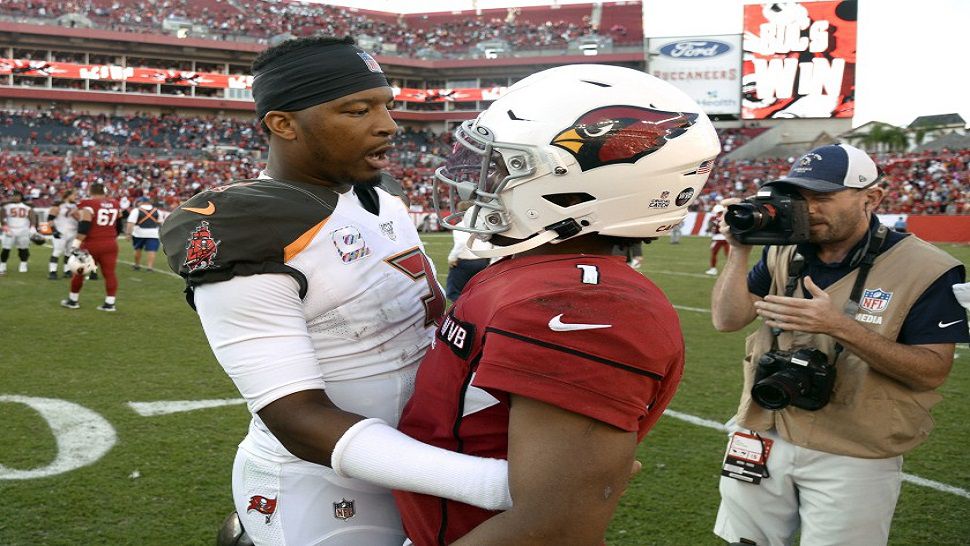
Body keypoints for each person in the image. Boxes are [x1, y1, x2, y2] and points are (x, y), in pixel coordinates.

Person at [159, 37, 512, 546]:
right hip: (325, 486)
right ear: (284, 124)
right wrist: (498, 483)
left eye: (387, 105)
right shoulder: (253, 229)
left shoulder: (382, 196)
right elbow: (297, 420)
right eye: (357, 109)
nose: (388, 124)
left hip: (425, 461)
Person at [392, 63, 721, 545]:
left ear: (583, 183)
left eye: (504, 164)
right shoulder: (530, 269)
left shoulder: (583, 301)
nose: (474, 179)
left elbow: (554, 527)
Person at [710, 143, 969, 546]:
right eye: (799, 196)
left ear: (873, 197)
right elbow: (726, 319)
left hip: (854, 448)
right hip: (763, 426)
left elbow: (933, 370)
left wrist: (840, 326)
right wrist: (740, 250)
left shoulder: (927, 268)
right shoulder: (782, 249)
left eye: (823, 197)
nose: (807, 208)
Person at [60, 183, 121, 311]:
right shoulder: (115, 203)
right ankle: (110, 303)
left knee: (80, 272)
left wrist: (75, 246)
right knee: (109, 273)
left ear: (90, 191)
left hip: (92, 243)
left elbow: (84, 227)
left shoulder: (88, 203)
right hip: (110, 243)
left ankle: (73, 300)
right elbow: (119, 224)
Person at [445, 202, 493, 301]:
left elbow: (462, 243)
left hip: (466, 262)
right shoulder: (484, 224)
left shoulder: (460, 225)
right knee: (480, 291)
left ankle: (460, 312)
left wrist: (452, 257)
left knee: (455, 293)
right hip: (484, 260)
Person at [0, 190, 38, 275]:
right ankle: (2, 265)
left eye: (17, 196)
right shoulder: (6, 206)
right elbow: (2, 215)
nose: (15, 197)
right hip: (10, 229)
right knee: (6, 249)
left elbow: (32, 216)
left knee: (23, 248)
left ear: (21, 197)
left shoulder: (27, 206)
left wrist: (32, 226)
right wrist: (4, 225)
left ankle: (23, 264)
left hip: (23, 230)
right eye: (14, 195)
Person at [47, 189, 80, 280]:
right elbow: (50, 219)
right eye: (74, 195)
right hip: (61, 232)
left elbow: (79, 219)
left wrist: (75, 214)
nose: (75, 197)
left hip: (73, 232)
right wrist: (53, 230)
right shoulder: (58, 206)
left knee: (69, 253)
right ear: (68, 196)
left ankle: (67, 271)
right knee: (57, 252)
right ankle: (52, 271)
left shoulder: (77, 206)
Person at [125, 197, 163, 272]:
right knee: (152, 250)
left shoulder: (136, 210)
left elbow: (130, 223)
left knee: (138, 249)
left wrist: (128, 234)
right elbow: (160, 222)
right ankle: (150, 267)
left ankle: (137, 265)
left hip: (139, 233)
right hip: (153, 233)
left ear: (141, 202)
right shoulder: (157, 211)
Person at [707, 203, 728, 275]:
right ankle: (732, 270)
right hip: (726, 238)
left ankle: (713, 269)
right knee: (728, 255)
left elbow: (710, 228)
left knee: (714, 254)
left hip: (717, 238)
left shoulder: (714, 218)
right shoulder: (727, 217)